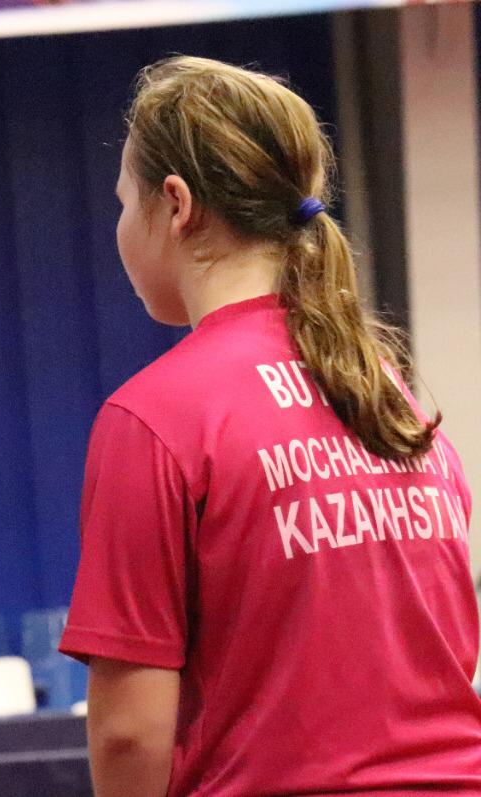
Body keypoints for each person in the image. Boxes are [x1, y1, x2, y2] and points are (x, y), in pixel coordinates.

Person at [58, 56, 481, 796]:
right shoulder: (386, 394)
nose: (120, 227)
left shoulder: (154, 417)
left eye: (124, 202)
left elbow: (130, 735)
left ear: (176, 203)